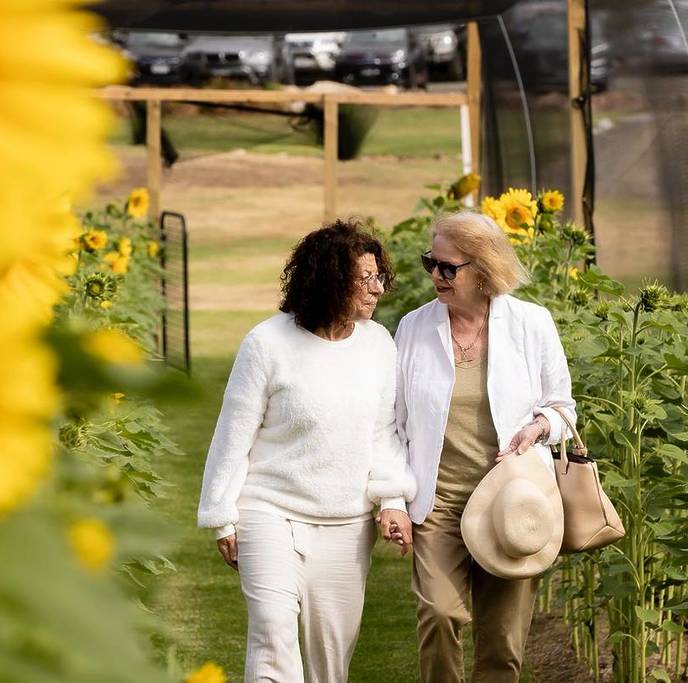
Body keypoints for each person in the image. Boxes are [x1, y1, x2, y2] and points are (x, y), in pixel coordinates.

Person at [197, 218, 416, 683]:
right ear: (332, 281)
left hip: (346, 523)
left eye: (379, 277)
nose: (378, 288)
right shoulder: (266, 344)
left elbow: (383, 432)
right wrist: (221, 515)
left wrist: (392, 499)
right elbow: (234, 434)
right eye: (366, 278)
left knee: (330, 662)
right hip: (269, 512)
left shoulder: (378, 345)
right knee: (273, 636)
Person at [392, 210, 576, 682]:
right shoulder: (413, 328)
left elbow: (562, 408)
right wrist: (393, 499)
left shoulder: (531, 324)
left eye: (448, 268)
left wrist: (538, 428)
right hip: (439, 502)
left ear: (485, 268)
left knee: (502, 643)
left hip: (512, 502)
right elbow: (393, 424)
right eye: (430, 262)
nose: (436, 275)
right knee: (440, 615)